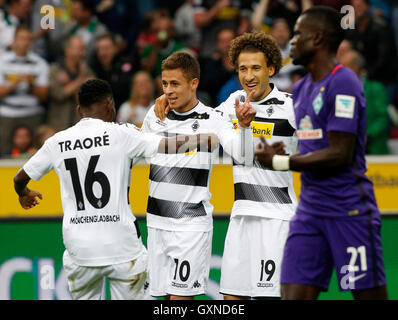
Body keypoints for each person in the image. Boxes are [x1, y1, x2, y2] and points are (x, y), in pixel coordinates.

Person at [13, 78, 220, 300]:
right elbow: (166, 145)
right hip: (122, 247)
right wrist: (205, 139)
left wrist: (24, 194)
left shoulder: (57, 142)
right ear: (110, 104)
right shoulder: (123, 134)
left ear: (79, 109)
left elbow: (19, 178)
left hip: (80, 250)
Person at [255, 6, 388, 299]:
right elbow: (312, 144)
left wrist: (281, 160)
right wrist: (284, 148)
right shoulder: (301, 89)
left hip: (349, 211)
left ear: (317, 39)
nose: (291, 41)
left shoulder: (344, 82)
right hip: (309, 212)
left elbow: (339, 153)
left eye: (298, 34)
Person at [154, 31, 298, 300]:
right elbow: (197, 117)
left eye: (256, 68)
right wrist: (170, 99)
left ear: (272, 68)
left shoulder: (291, 107)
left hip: (277, 218)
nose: (249, 75)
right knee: (232, 301)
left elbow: (316, 153)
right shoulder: (230, 105)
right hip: (241, 217)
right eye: (243, 68)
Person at [142, 51, 257, 300]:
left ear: (193, 83)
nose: (169, 91)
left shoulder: (213, 119)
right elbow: (139, 145)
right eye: (164, 84)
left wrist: (245, 128)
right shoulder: (155, 115)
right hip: (156, 223)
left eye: (175, 84)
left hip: (190, 226)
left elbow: (245, 157)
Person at [0, 25, 49, 156]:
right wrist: (16, 82)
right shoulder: (2, 61)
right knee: (5, 154)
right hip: (7, 115)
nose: (25, 42)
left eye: (28, 39)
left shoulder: (40, 63)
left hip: (33, 114)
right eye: (21, 38)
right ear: (14, 40)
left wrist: (30, 84)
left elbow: (44, 95)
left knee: (35, 154)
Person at [339, 49, 390, 154]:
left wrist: (367, 135)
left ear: (356, 68)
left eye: (345, 67)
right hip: (348, 149)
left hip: (374, 149)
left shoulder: (375, 89)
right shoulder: (340, 90)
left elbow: (382, 118)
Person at [48, 35, 95, 131]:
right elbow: (59, 94)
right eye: (80, 49)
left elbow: (88, 99)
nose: (83, 53)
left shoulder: (87, 70)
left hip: (80, 125)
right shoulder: (55, 69)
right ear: (67, 50)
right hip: (59, 125)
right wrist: (81, 80)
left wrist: (70, 84)